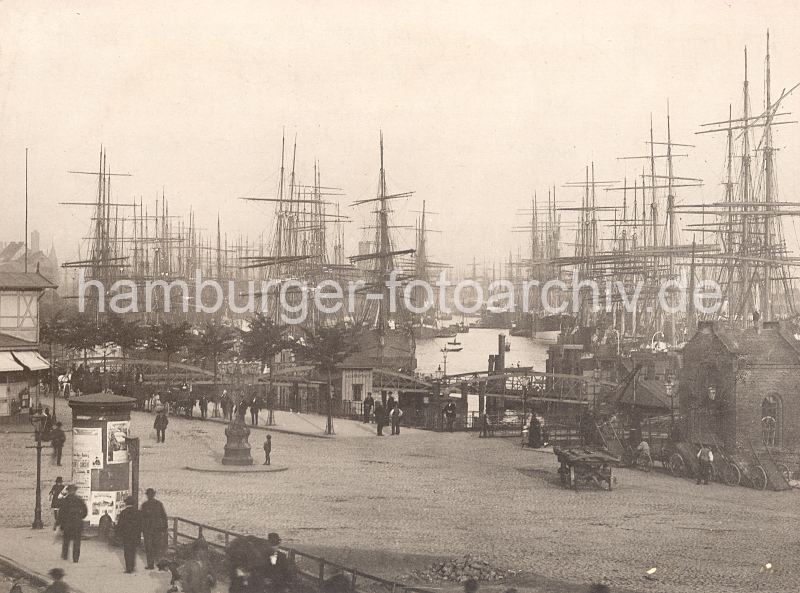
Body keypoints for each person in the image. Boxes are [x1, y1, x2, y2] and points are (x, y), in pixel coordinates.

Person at [58, 485, 87, 562]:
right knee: (77, 541)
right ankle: (76, 558)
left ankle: (65, 556)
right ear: (75, 491)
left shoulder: (65, 501)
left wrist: (59, 523)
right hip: (77, 524)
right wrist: (80, 517)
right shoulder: (79, 500)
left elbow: (61, 513)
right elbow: (85, 512)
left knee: (66, 540)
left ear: (68, 491)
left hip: (67, 524)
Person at [140, 488, 168, 569]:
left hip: (148, 530)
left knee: (149, 548)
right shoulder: (159, 504)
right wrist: (165, 527)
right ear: (154, 494)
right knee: (158, 547)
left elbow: (141, 518)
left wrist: (142, 528)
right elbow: (164, 516)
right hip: (158, 529)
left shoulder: (144, 505)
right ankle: (159, 564)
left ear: (147, 495)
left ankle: (150, 564)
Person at [116, 496, 142, 573]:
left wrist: (118, 534)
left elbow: (120, 525)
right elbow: (141, 524)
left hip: (126, 535)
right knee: (133, 551)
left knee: (127, 551)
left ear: (126, 503)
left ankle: (128, 568)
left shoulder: (124, 512)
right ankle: (133, 566)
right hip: (135, 534)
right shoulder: (138, 512)